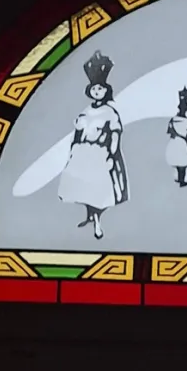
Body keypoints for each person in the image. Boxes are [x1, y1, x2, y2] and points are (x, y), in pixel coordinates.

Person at [58, 50, 128, 239]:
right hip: (83, 152)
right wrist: (73, 150)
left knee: (98, 188)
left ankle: (97, 220)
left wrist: (112, 153)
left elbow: (115, 133)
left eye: (100, 89)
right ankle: (91, 216)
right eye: (94, 89)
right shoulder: (86, 111)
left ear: (106, 91)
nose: (97, 92)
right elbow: (78, 133)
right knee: (85, 187)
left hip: (101, 152)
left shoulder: (109, 112)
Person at [166, 87, 187, 186]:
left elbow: (169, 132)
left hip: (174, 143)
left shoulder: (173, 120)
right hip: (182, 145)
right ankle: (181, 179)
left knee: (179, 162)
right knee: (182, 163)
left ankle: (180, 178)